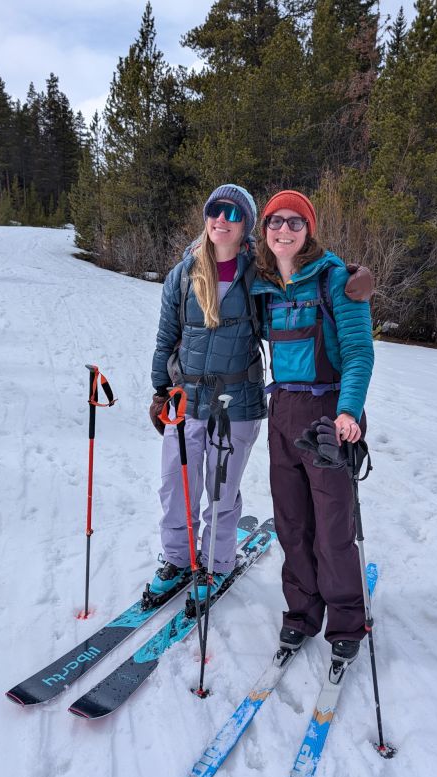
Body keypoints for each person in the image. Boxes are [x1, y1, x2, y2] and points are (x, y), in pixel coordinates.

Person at [250, 190, 374, 666]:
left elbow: (360, 353)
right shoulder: (263, 286)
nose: (284, 229)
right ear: (264, 230)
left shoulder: (336, 280)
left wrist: (349, 412)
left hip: (329, 416)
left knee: (333, 528)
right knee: (291, 523)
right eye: (275, 221)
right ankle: (301, 613)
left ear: (309, 230)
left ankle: (345, 619)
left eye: (295, 222)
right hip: (282, 411)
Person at [148, 184, 266, 602]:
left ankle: (215, 566)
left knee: (220, 489)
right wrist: (161, 391)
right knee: (174, 485)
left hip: (238, 403)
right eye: (215, 210)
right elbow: (167, 337)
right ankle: (178, 559)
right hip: (186, 401)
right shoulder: (182, 275)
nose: (221, 219)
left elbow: (289, 321)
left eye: (233, 213)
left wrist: (343, 283)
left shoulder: (259, 277)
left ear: (246, 225)